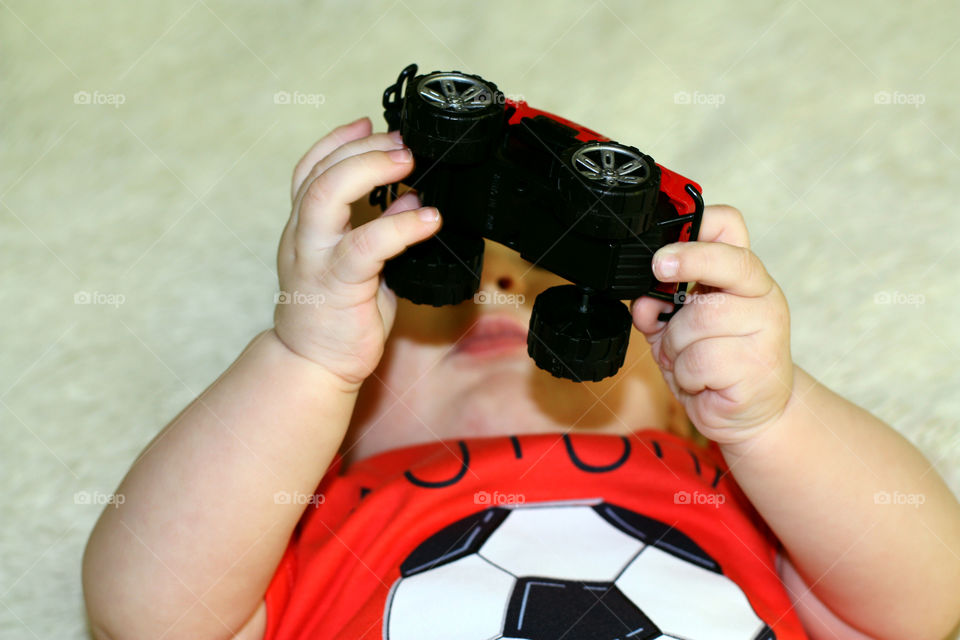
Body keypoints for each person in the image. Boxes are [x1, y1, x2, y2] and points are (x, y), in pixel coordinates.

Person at [82, 117, 960, 640]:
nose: (506, 295)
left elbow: (922, 599)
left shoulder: (731, 496)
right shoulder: (313, 528)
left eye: (569, 300)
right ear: (334, 431)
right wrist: (303, 363)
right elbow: (157, 611)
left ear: (684, 395)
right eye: (443, 291)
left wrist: (774, 419)